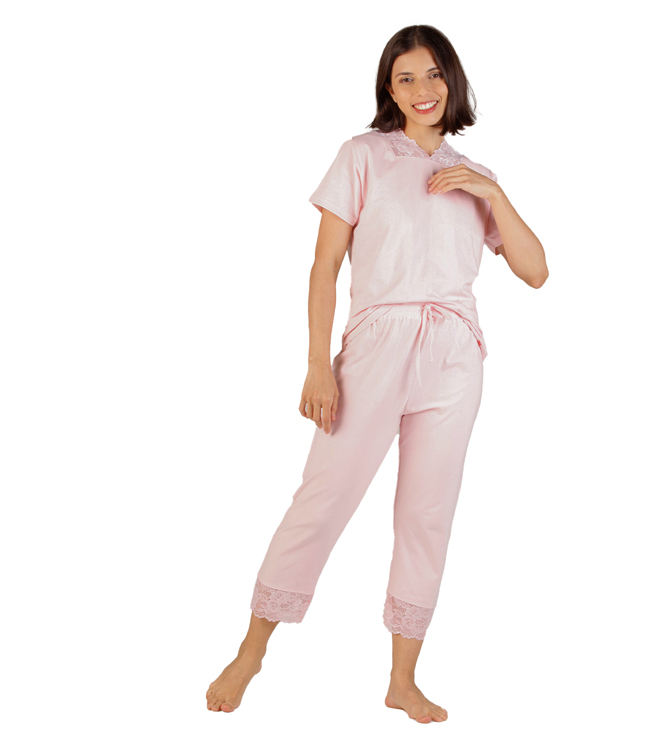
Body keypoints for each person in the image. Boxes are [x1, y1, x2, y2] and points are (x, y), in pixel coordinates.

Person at [206, 24, 548, 723]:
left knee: (427, 514)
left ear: (452, 80)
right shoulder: (362, 155)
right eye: (405, 78)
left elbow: (536, 271)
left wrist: (495, 193)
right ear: (389, 89)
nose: (422, 90)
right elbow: (325, 265)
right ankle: (252, 650)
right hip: (375, 345)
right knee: (323, 498)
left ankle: (402, 679)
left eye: (433, 75)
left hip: (454, 356)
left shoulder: (473, 175)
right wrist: (317, 364)